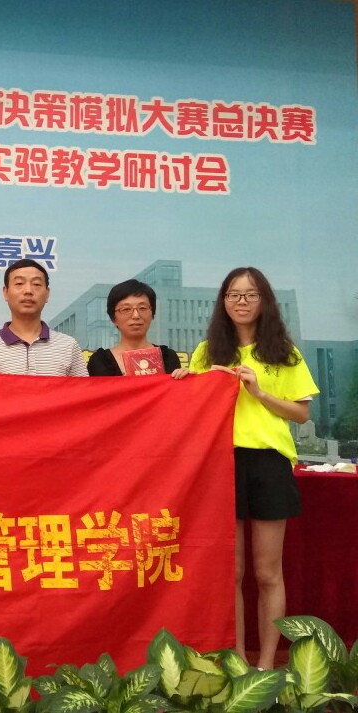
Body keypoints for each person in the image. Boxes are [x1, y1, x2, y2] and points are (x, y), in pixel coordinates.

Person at [189, 267, 318, 670]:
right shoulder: (207, 351)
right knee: (231, 572)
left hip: (269, 462)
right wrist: (183, 381)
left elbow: (301, 414)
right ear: (223, 302)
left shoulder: (283, 352)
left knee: (267, 573)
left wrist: (258, 392)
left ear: (264, 301)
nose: (241, 302)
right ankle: (237, 661)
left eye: (250, 295)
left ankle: (264, 665)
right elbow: (190, 408)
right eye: (233, 294)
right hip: (221, 463)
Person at [0, 259, 88, 376]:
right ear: (5, 292)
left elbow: (82, 390)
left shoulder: (68, 347)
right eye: (19, 283)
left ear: (47, 294)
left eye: (36, 284)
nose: (28, 291)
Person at [87, 279, 189, 378]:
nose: (136, 315)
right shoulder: (100, 362)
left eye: (142, 308)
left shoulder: (168, 357)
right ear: (113, 318)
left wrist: (186, 379)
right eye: (126, 309)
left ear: (152, 313)